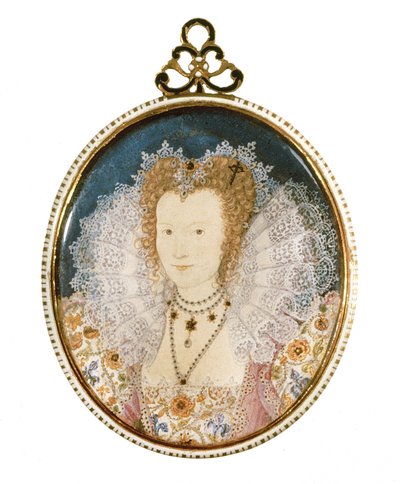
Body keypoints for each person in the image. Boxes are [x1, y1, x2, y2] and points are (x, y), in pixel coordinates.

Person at [62, 141, 339, 447]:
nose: (179, 250)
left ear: (229, 237)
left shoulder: (264, 333)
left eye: (198, 232)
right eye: (167, 231)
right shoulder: (133, 333)